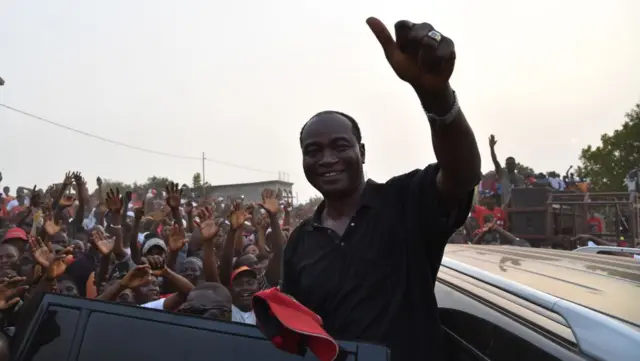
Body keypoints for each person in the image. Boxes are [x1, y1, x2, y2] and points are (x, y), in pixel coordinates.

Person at [281, 18, 481, 361]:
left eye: (340, 146)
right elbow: (299, 334)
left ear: (362, 152)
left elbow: (462, 174)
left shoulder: (406, 202)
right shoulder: (301, 242)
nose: (326, 158)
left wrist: (436, 96)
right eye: (313, 151)